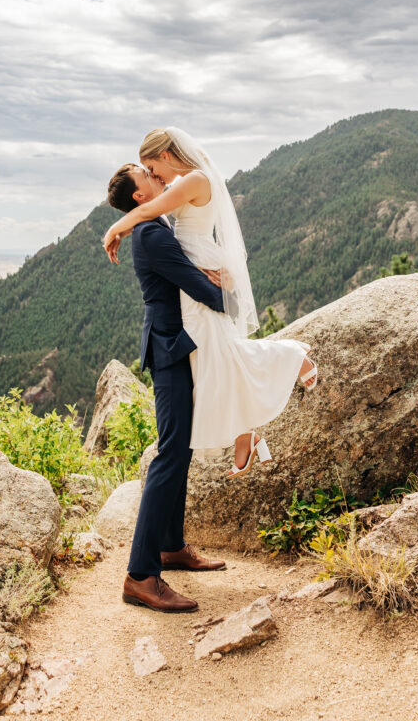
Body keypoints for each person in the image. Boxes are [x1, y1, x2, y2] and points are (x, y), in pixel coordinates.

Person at [104, 128, 317, 477]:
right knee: (211, 350)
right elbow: (150, 208)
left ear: (167, 156)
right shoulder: (181, 183)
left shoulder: (194, 180)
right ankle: (244, 429)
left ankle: (291, 358)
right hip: (194, 263)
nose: (155, 175)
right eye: (148, 172)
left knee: (213, 348)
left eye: (152, 167)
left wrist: (115, 229)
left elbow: (149, 209)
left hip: (197, 262)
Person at [106, 163, 228, 613]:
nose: (157, 178)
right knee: (170, 453)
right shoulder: (153, 235)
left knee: (182, 448)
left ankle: (171, 546)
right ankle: (140, 575)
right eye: (148, 177)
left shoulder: (153, 224)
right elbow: (201, 290)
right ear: (140, 197)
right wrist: (231, 287)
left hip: (176, 346)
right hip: (171, 350)